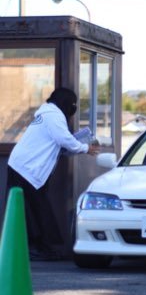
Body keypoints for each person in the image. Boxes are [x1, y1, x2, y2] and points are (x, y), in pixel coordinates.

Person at [6, 87, 99, 261]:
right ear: (65, 103)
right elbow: (64, 139)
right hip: (27, 168)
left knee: (32, 209)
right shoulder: (54, 116)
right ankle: (40, 249)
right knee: (36, 209)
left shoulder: (47, 113)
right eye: (73, 104)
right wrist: (86, 147)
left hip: (22, 166)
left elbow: (59, 141)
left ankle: (40, 247)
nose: (74, 108)